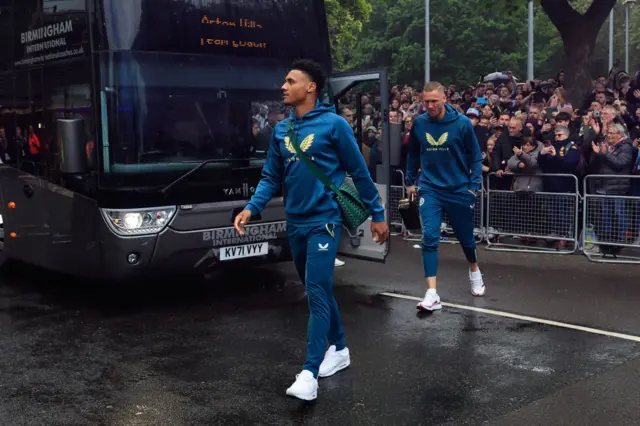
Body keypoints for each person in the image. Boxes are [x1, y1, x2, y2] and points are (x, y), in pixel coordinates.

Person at [233, 59, 389, 401]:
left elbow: (359, 172)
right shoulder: (281, 131)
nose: (283, 86)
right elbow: (272, 176)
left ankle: (309, 373)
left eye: (291, 81)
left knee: (317, 291)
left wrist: (377, 214)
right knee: (317, 288)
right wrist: (251, 208)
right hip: (297, 223)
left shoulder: (334, 125)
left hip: (325, 222)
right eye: (284, 81)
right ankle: (341, 349)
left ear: (311, 87)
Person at [405, 81, 485, 312]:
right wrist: (410, 181)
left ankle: (473, 268)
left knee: (466, 239)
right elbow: (412, 154)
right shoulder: (419, 123)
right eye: (426, 101)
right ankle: (432, 292)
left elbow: (476, 157)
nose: (429, 106)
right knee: (429, 236)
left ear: (444, 99)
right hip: (430, 188)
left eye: (434, 101)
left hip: (458, 189)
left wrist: (473, 187)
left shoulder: (461, 124)